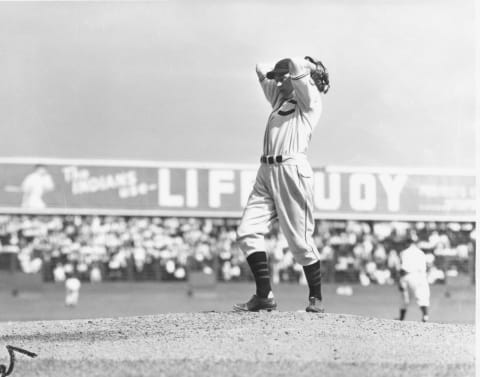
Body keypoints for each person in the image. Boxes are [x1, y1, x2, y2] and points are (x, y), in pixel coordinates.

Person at [233, 56, 330, 312]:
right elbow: (260, 67)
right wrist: (279, 71)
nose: (276, 80)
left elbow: (297, 66)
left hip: (291, 169)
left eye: (282, 76)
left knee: (299, 240)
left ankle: (316, 298)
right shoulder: (280, 99)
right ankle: (264, 295)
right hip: (266, 170)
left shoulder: (310, 101)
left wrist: (307, 68)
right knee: (247, 231)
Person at [396, 236, 431, 322]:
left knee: (405, 298)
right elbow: (427, 266)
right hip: (421, 276)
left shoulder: (404, 252)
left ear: (408, 243)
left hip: (409, 276)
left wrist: (400, 281)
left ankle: (401, 318)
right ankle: (425, 316)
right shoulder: (421, 252)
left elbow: (402, 268)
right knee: (423, 297)